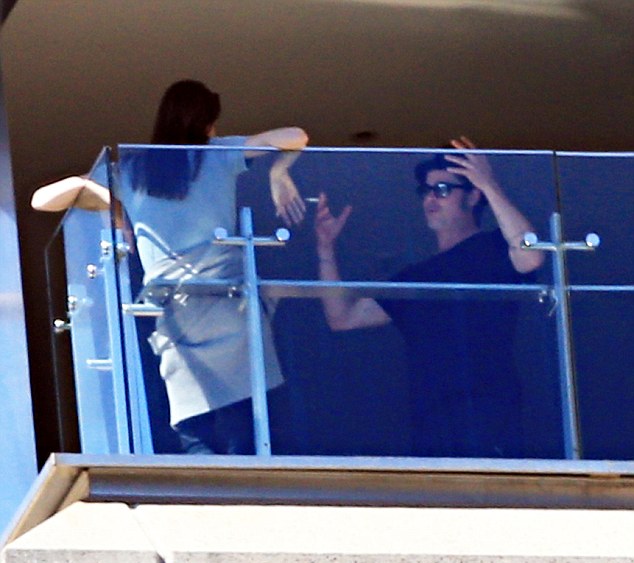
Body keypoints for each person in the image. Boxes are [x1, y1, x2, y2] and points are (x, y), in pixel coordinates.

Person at [33, 79, 309, 455]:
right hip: (230, 307)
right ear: (207, 124)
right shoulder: (218, 152)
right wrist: (279, 173)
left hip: (177, 313)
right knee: (245, 430)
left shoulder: (133, 169)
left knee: (195, 431)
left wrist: (112, 202)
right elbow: (296, 136)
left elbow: (42, 199)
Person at [314, 137, 545, 458]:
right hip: (432, 423)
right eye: (425, 191)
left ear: (472, 196)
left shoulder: (494, 248)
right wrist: (325, 248)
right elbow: (342, 318)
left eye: (443, 190)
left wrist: (488, 184)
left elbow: (531, 254)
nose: (430, 199)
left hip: (489, 414)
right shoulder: (415, 278)